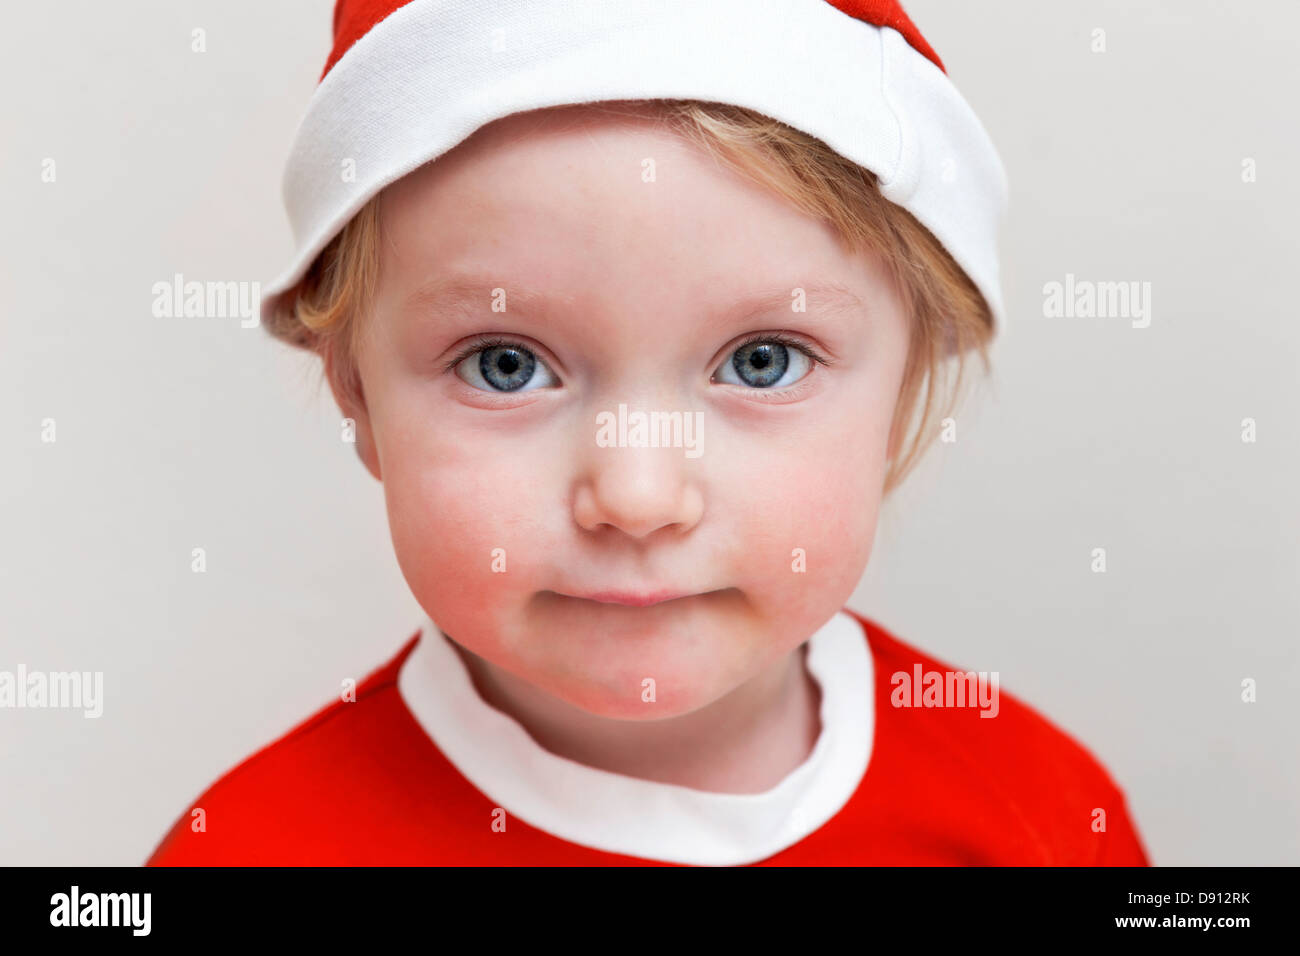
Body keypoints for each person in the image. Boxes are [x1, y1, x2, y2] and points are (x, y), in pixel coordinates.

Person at [147, 0, 1150, 866]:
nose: (635, 496)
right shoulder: (249, 845)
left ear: (904, 392)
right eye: (506, 363)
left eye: (763, 359)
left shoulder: (1045, 815)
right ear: (357, 398)